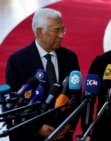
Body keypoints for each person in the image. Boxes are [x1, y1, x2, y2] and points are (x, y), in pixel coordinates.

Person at [5, 8, 81, 141]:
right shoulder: (17, 61)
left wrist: (69, 124)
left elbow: (76, 95)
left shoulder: (70, 58)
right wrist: (36, 128)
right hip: (30, 136)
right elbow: (15, 103)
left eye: (62, 30)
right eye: (56, 30)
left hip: (63, 134)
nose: (61, 35)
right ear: (40, 32)